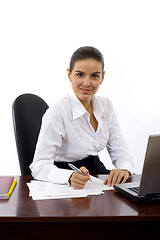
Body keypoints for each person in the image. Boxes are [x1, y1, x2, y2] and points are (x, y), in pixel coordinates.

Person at [30, 46, 133, 189]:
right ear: (69, 74)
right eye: (80, 75)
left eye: (94, 76)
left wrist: (124, 169)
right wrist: (68, 176)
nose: (87, 83)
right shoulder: (58, 111)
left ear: (102, 77)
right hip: (65, 177)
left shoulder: (106, 106)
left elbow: (121, 152)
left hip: (96, 174)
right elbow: (39, 165)